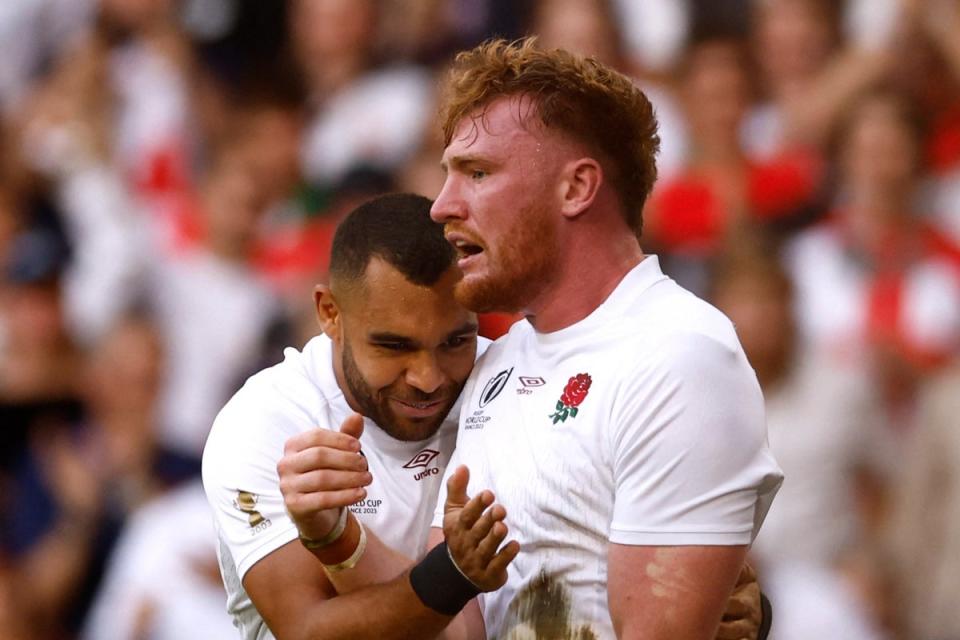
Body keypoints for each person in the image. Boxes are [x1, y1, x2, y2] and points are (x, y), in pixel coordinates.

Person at [204, 193, 768, 639]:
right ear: (330, 313)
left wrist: (727, 607)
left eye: (455, 340)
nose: (428, 378)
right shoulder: (262, 427)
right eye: (394, 346)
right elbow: (306, 632)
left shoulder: (503, 380)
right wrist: (449, 572)